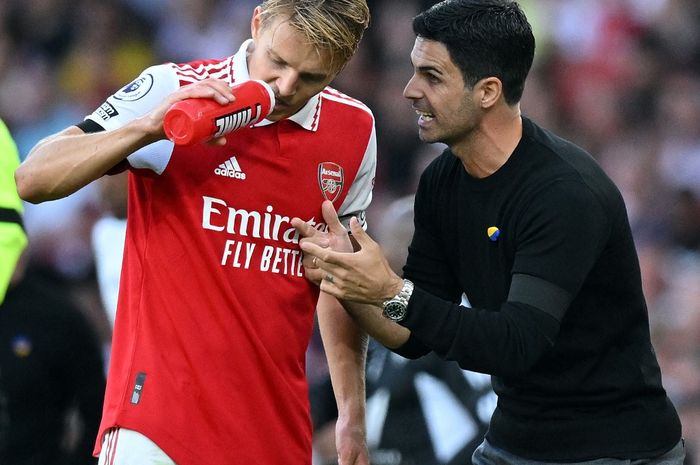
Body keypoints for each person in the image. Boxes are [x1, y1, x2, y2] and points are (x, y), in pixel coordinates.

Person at [292, 1, 685, 464]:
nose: (409, 91)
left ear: (487, 92)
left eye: (431, 76)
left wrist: (391, 290)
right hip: (513, 443)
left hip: (613, 449)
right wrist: (350, 280)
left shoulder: (563, 194)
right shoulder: (442, 181)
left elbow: (516, 344)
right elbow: (416, 334)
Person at [15, 1, 374, 464]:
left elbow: (340, 280)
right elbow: (34, 178)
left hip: (275, 432)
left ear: (341, 67)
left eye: (311, 78)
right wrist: (148, 127)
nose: (285, 88)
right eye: (278, 62)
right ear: (258, 23)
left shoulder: (356, 131)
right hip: (156, 427)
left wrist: (352, 416)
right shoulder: (175, 88)